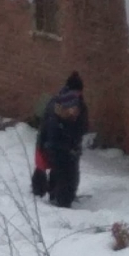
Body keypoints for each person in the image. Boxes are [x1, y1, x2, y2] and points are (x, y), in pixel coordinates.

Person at [32, 72, 88, 201]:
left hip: (48, 143)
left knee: (54, 170)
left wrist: (43, 143)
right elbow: (81, 127)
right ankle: (62, 203)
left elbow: (45, 122)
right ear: (79, 90)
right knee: (67, 176)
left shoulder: (55, 100)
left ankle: (46, 193)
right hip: (66, 147)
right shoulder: (76, 103)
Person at [41, 90, 85, 208]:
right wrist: (68, 149)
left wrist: (76, 147)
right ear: (66, 107)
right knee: (64, 176)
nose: (76, 110)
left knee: (65, 175)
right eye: (73, 107)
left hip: (68, 154)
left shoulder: (70, 118)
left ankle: (59, 196)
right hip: (60, 154)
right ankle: (62, 200)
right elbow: (53, 140)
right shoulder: (56, 120)